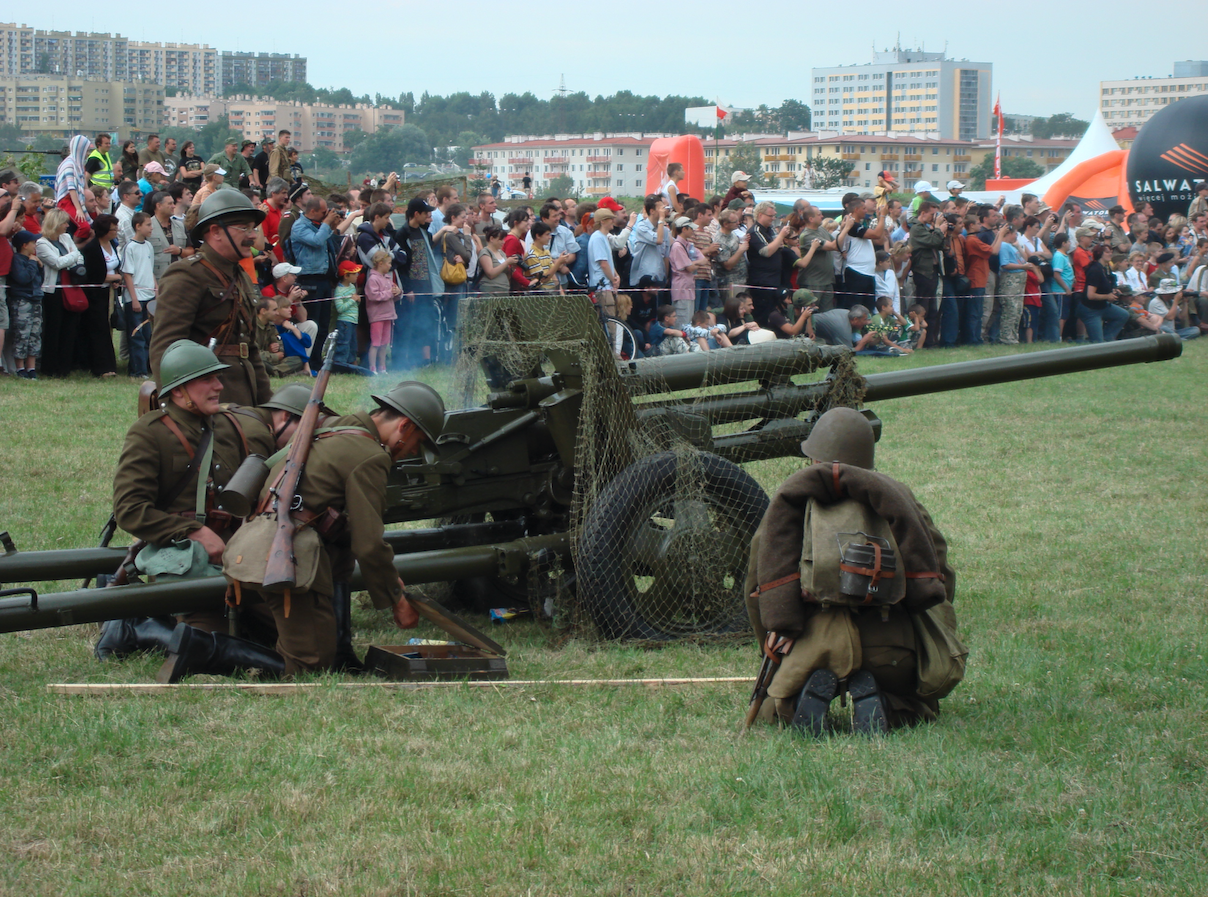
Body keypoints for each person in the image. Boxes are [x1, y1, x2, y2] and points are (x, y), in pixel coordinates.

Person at [158, 381, 446, 681]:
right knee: (309, 664)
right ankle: (200, 649)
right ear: (405, 427)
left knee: (321, 649)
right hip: (283, 558)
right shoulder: (370, 455)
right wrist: (397, 599)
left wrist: (386, 575)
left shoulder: (330, 429)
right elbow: (369, 544)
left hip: (249, 547)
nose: (411, 451)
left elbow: (344, 535)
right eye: (417, 443)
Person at [744, 407, 962, 734]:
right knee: (918, 706)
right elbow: (940, 570)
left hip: (812, 643)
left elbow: (757, 585)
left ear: (815, 458)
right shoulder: (899, 499)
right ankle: (887, 706)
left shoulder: (791, 504)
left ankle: (800, 699)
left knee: (775, 710)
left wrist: (777, 635)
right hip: (892, 644)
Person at [99, 342, 288, 661]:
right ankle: (138, 626)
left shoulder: (232, 426)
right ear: (178, 390)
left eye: (217, 378)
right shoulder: (149, 434)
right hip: (188, 560)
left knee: (288, 634)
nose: (219, 386)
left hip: (240, 555)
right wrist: (193, 531)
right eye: (207, 379)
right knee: (208, 645)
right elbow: (131, 510)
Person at [150, 191, 272, 406]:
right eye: (244, 228)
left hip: (244, 394)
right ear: (216, 232)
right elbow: (165, 348)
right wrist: (175, 407)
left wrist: (267, 405)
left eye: (253, 228)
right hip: (205, 398)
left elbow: (249, 347)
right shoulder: (187, 274)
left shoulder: (239, 275)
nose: (252, 236)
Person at [35, 208, 86, 378]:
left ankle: (65, 367)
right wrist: (73, 256)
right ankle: (50, 367)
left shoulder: (66, 237)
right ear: (56, 224)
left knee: (69, 328)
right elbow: (56, 263)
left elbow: (80, 258)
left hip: (70, 288)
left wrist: (72, 257)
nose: (67, 226)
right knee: (54, 329)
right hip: (53, 292)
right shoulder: (42, 243)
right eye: (64, 223)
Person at [78, 213, 121, 378]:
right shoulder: (93, 248)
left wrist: (117, 278)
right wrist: (115, 277)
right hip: (95, 294)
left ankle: (111, 363)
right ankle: (101, 367)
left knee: (108, 328)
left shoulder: (112, 244)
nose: (116, 231)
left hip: (109, 292)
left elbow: (114, 266)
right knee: (99, 329)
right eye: (113, 229)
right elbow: (95, 274)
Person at [7, 231, 43, 378]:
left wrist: (38, 265)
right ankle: (20, 367)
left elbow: (39, 280)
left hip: (35, 298)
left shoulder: (32, 260)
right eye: (33, 242)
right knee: (22, 333)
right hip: (22, 300)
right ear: (24, 245)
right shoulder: (17, 260)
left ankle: (31, 367)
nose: (35, 245)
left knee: (35, 334)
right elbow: (23, 278)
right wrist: (33, 264)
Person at [1078, 244, 1129, 343]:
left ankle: (1107, 339)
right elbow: (1090, 295)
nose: (1110, 254)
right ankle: (1089, 342)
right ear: (1099, 254)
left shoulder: (1105, 268)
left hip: (1102, 306)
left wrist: (1113, 291)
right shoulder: (1095, 270)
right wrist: (1108, 296)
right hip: (1090, 310)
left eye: (1111, 251)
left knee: (1123, 315)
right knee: (1097, 343)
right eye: (1107, 252)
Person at [365, 248, 400, 374]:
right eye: (389, 263)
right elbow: (374, 296)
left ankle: (383, 367)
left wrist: (398, 292)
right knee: (376, 343)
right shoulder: (373, 279)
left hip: (389, 315)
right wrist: (390, 293)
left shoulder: (387, 278)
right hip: (377, 316)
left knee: (384, 343)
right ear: (380, 263)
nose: (390, 266)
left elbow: (395, 293)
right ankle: (372, 368)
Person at [332, 260, 371, 373]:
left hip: (353, 321)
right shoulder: (339, 290)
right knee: (344, 343)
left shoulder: (352, 287)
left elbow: (354, 305)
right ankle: (340, 365)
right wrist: (352, 300)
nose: (357, 276)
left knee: (353, 343)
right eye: (354, 274)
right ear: (346, 276)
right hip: (344, 321)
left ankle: (351, 365)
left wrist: (357, 301)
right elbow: (340, 308)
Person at [54, 134, 93, 240]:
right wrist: (79, 209)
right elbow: (72, 188)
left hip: (76, 199)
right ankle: (76, 246)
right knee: (84, 226)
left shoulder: (79, 164)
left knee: (95, 218)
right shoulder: (69, 165)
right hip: (66, 201)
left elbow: (84, 186)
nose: (88, 154)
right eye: (87, 150)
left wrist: (95, 205)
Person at [808, 304, 879, 352]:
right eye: (865, 320)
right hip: (807, 330)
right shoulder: (843, 328)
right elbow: (849, 353)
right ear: (855, 319)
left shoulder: (848, 314)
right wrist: (864, 341)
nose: (867, 322)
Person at [477, 225, 516, 295]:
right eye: (500, 239)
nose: (503, 242)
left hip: (504, 289)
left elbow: (506, 274)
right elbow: (490, 274)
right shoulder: (485, 252)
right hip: (490, 290)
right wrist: (507, 262)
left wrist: (512, 269)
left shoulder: (502, 253)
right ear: (492, 239)